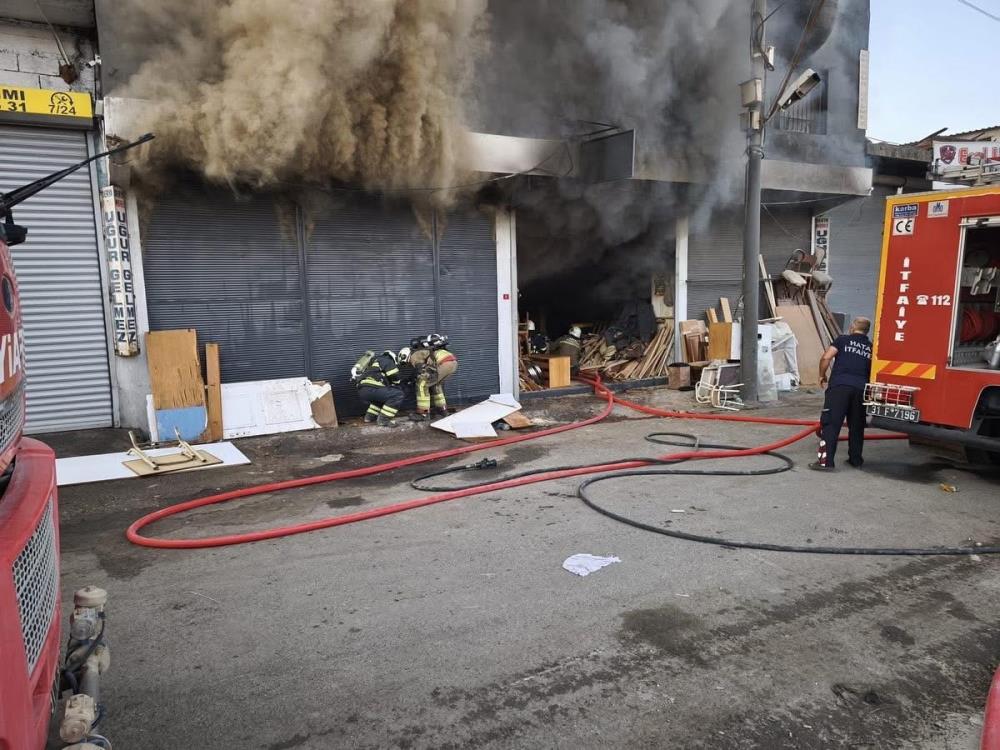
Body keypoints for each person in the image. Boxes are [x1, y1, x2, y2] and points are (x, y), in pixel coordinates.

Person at [810, 317, 873, 471]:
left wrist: (821, 375)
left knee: (831, 424)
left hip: (840, 387)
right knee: (857, 425)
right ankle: (856, 460)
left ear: (852, 326)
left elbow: (826, 357)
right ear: (867, 331)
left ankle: (826, 463)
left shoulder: (842, 340)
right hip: (861, 389)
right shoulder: (871, 347)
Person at [407, 333, 458, 421]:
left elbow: (421, 369)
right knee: (436, 385)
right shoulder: (430, 350)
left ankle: (423, 414)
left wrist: (413, 378)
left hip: (444, 363)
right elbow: (430, 368)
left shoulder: (414, 355)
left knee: (422, 384)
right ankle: (442, 410)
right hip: (453, 363)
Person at [352, 350, 405, 428]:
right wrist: (397, 383)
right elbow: (394, 374)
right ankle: (384, 420)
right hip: (372, 387)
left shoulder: (372, 363)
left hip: (362, 389)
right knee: (398, 395)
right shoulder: (386, 359)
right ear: (392, 358)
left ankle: (369, 417)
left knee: (380, 399)